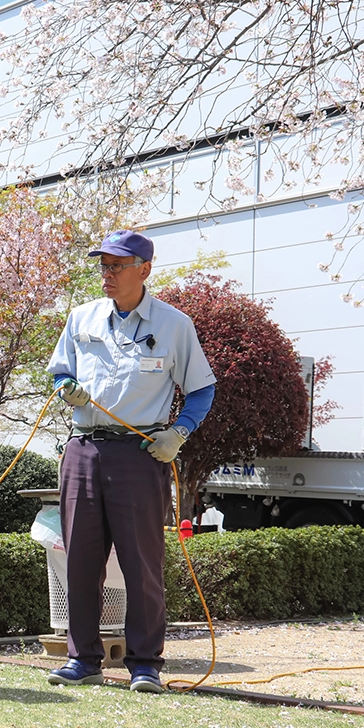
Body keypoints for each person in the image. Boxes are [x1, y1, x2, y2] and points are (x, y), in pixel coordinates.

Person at [45, 230, 216, 693]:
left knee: (142, 562)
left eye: (117, 266)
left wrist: (178, 433)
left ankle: (145, 663)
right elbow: (60, 370)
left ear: (144, 269)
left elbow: (202, 388)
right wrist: (65, 388)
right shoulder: (82, 319)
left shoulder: (175, 325)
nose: (108, 274)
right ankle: (84, 659)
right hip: (83, 449)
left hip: (140, 455)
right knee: (79, 558)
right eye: (104, 265)